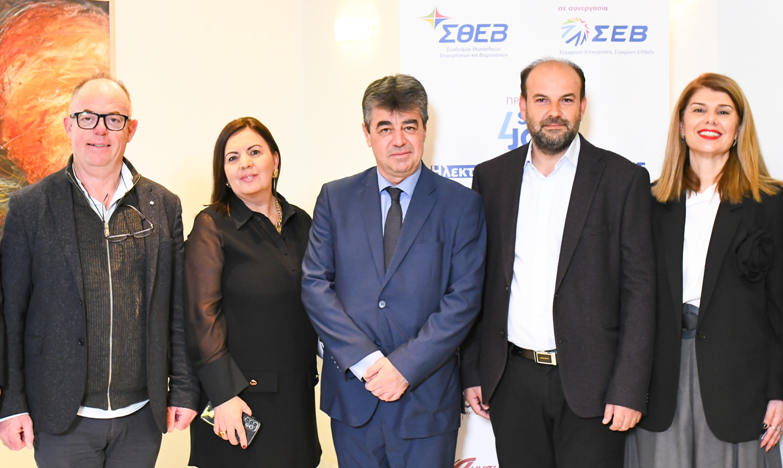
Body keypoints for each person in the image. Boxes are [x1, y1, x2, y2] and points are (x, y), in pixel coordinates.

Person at [460, 58, 656, 468]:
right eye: (541, 100)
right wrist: (474, 370)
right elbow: (478, 283)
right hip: (511, 381)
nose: (554, 111)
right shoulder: (491, 178)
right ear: (522, 106)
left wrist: (629, 387)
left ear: (583, 106)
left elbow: (640, 292)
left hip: (595, 387)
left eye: (566, 100)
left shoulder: (623, 179)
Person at [0, 75, 199, 467]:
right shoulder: (30, 207)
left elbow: (177, 308)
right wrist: (11, 403)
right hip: (59, 417)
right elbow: (10, 315)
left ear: (131, 129)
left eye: (113, 119)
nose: (100, 130)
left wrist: (184, 388)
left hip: (141, 416)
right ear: (68, 125)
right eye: (87, 117)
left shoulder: (163, 205)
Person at [301, 74, 487, 467]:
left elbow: (464, 299)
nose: (398, 140)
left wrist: (404, 367)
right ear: (367, 133)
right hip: (354, 398)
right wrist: (367, 362)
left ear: (425, 130)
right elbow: (315, 285)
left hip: (426, 401)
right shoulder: (335, 198)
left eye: (409, 127)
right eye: (385, 128)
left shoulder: (461, 204)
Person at [628, 73, 783, 468]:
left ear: (738, 129)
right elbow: (630, 300)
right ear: (682, 126)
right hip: (659, 381)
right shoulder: (648, 202)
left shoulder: (770, 202)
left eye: (723, 111)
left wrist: (780, 389)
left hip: (741, 385)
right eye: (699, 110)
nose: (710, 120)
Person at [183, 117, 321, 467]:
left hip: (296, 399)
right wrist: (224, 395)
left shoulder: (303, 223)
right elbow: (201, 318)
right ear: (224, 172)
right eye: (232, 158)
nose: (244, 163)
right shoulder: (212, 226)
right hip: (239, 402)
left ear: (275, 160)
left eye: (254, 152)